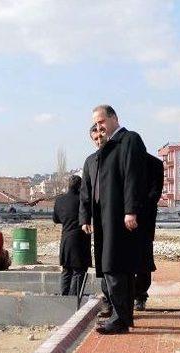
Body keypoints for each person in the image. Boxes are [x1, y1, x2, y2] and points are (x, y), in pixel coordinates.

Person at [81, 105, 148, 335]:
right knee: (118, 266)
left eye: (102, 121)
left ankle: (120, 318)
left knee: (115, 266)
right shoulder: (106, 147)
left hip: (119, 215)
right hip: (105, 216)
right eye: (95, 124)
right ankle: (124, 317)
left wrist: (131, 210)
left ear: (114, 118)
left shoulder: (129, 140)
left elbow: (133, 176)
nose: (99, 126)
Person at [80, 124, 112, 317]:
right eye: (95, 138)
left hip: (116, 216)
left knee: (116, 261)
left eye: (101, 135)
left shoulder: (117, 156)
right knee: (102, 260)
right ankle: (108, 301)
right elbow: (85, 192)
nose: (99, 139)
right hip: (98, 218)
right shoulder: (90, 161)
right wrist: (85, 218)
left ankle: (124, 300)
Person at [133, 154, 164, 311]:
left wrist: (135, 208)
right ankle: (128, 295)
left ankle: (141, 295)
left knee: (144, 262)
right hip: (123, 221)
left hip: (145, 221)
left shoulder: (155, 164)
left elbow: (155, 193)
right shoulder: (123, 161)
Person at [53, 175, 92, 296]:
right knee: (79, 271)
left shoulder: (59, 200)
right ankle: (74, 299)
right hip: (80, 240)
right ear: (80, 187)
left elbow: (56, 219)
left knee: (66, 270)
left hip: (65, 239)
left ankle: (64, 298)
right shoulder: (83, 200)